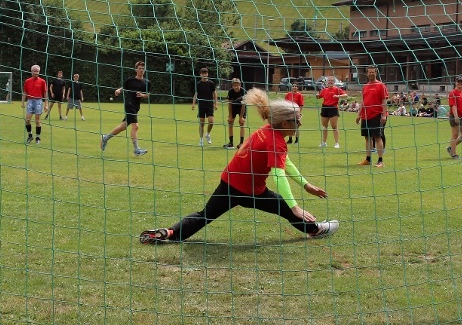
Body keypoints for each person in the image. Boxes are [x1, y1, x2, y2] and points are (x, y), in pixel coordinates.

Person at [139, 89, 337, 244]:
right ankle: (315, 229)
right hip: (250, 190)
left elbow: (283, 161)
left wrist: (305, 185)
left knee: (204, 215)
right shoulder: (276, 141)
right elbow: (278, 174)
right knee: (285, 208)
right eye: (298, 119)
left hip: (229, 182)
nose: (301, 122)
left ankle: (170, 233)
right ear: (285, 123)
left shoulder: (268, 130)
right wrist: (294, 206)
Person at [101, 60, 149, 156]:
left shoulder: (146, 82)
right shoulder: (130, 80)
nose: (141, 70)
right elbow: (124, 87)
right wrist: (119, 90)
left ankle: (105, 138)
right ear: (136, 69)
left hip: (136, 107)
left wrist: (142, 95)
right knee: (135, 126)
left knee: (123, 127)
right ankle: (136, 150)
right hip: (129, 104)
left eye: (143, 69)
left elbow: (148, 94)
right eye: (139, 69)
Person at [357, 66, 388, 167]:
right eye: (369, 72)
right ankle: (368, 159)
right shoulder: (365, 86)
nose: (371, 74)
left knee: (377, 137)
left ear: (376, 73)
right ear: (367, 74)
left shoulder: (381, 85)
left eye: (373, 72)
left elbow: (384, 101)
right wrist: (359, 114)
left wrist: (383, 115)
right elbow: (363, 101)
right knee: (367, 137)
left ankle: (380, 161)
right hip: (366, 115)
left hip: (377, 114)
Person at [316, 76, 347, 149]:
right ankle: (324, 142)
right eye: (329, 80)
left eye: (331, 81)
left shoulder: (337, 89)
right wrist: (317, 95)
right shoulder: (324, 90)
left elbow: (345, 95)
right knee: (324, 126)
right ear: (327, 82)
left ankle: (337, 143)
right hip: (324, 107)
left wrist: (338, 96)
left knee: (334, 126)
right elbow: (319, 96)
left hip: (333, 108)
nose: (330, 82)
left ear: (334, 82)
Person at [192, 68, 219, 146]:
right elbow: (196, 94)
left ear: (207, 74)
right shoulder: (198, 84)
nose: (204, 74)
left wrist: (216, 103)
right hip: (201, 105)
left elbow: (214, 93)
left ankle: (207, 134)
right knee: (202, 123)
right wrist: (193, 104)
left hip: (209, 105)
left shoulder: (211, 83)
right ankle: (201, 139)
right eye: (203, 73)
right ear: (200, 74)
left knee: (211, 121)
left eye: (206, 73)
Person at [22, 64, 47, 144]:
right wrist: (22, 102)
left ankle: (38, 137)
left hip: (38, 101)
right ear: (31, 71)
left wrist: (46, 104)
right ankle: (30, 136)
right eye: (34, 71)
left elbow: (45, 93)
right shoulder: (27, 81)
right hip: (30, 101)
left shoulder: (42, 81)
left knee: (37, 120)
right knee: (27, 120)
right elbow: (25, 92)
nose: (36, 72)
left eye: (37, 71)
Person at [447, 76, 462, 159]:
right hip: (455, 115)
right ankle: (454, 154)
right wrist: (456, 116)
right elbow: (453, 105)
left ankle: (451, 148)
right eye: (458, 81)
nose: (460, 83)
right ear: (455, 83)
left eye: (461, 82)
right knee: (455, 135)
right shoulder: (453, 93)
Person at [224, 77, 247, 149]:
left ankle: (241, 143)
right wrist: (230, 115)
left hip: (241, 108)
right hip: (233, 108)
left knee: (242, 123)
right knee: (230, 123)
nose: (236, 87)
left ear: (240, 85)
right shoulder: (230, 92)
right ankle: (231, 143)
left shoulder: (243, 91)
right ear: (232, 86)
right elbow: (230, 104)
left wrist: (241, 117)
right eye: (234, 85)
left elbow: (243, 105)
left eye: (238, 85)